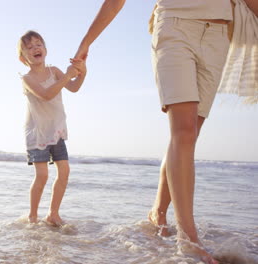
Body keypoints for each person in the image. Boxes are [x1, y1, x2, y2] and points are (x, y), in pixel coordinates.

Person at [72, 0, 256, 263]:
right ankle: (189, 239)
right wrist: (85, 43)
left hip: (218, 35)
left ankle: (158, 212)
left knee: (188, 134)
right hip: (174, 28)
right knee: (184, 132)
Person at [18, 30, 87, 226]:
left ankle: (53, 214)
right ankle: (33, 216)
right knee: (42, 175)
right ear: (23, 57)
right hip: (38, 133)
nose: (35, 48)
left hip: (56, 131)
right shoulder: (27, 78)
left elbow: (73, 87)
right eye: (29, 47)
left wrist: (82, 72)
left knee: (64, 172)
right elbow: (46, 94)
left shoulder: (54, 71)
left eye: (38, 44)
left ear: (45, 50)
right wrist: (67, 76)